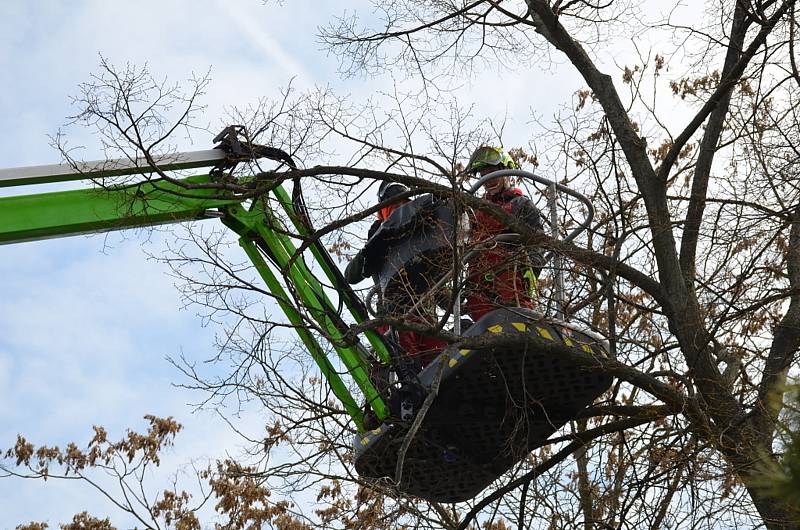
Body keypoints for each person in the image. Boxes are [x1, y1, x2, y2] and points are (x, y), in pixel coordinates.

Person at [345, 181, 447, 370]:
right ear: (383, 210)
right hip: (394, 314)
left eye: (403, 204)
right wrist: (371, 250)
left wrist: (454, 302)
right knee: (409, 366)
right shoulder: (378, 238)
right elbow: (350, 276)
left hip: (425, 315)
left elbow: (432, 277)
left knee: (442, 363)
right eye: (394, 206)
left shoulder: (420, 235)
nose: (399, 210)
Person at [463, 146, 546, 322]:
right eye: (483, 174)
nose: (488, 179)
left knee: (516, 315)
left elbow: (537, 241)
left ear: (506, 172)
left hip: (507, 272)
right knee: (481, 324)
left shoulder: (520, 205)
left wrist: (530, 269)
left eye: (492, 172)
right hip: (477, 279)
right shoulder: (476, 210)